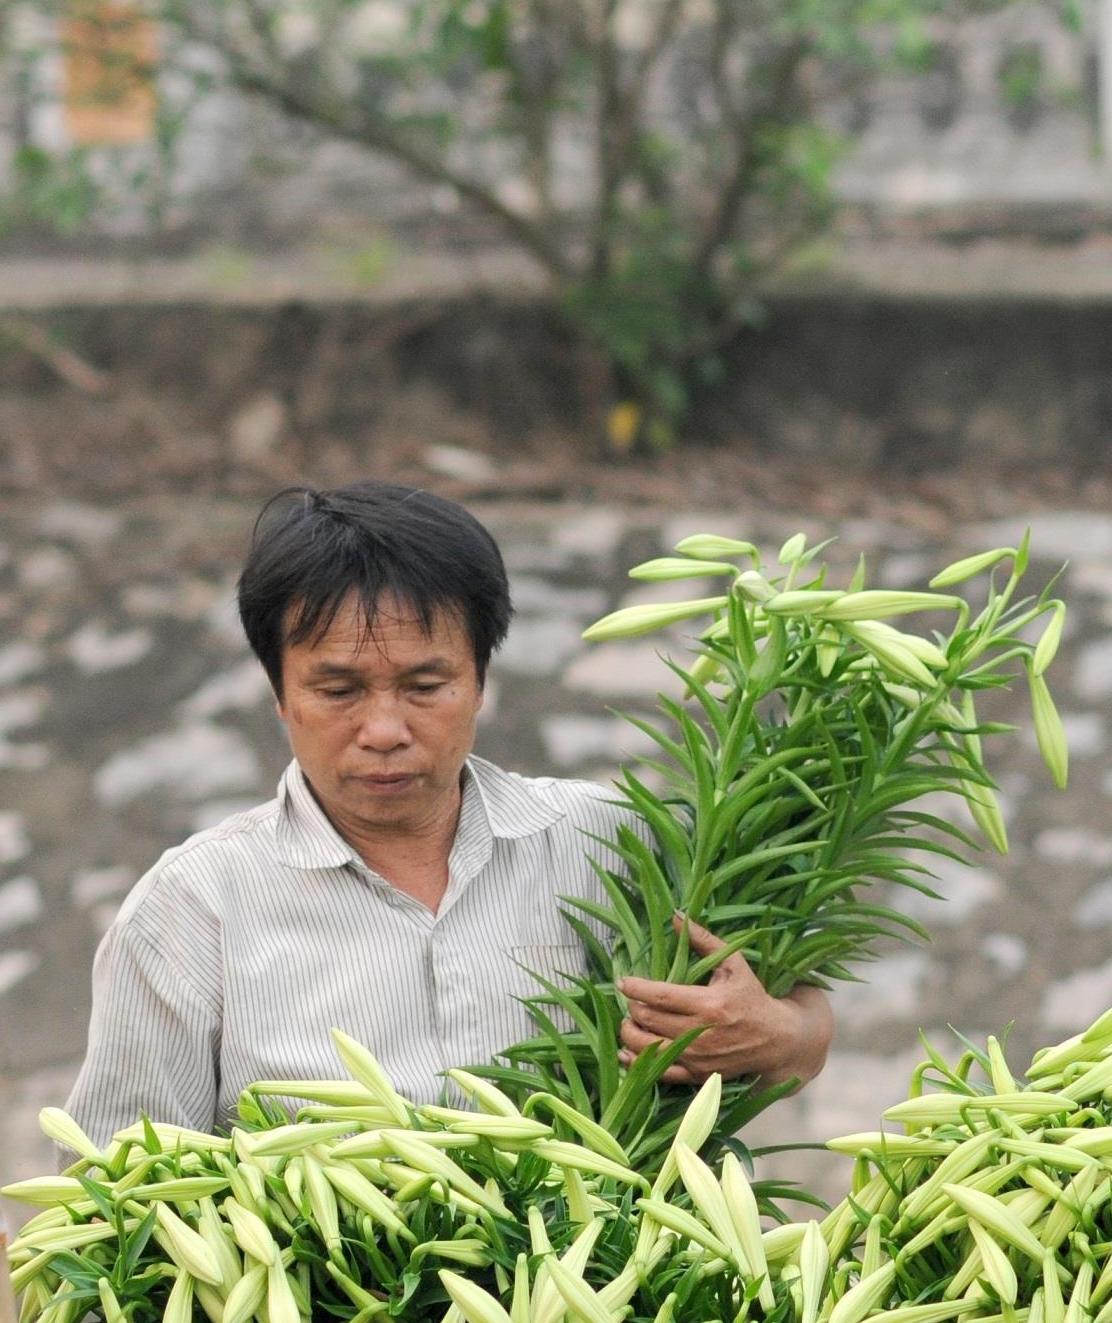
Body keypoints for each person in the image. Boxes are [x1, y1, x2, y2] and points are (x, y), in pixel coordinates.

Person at [64, 481, 833, 1140]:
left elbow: (795, 1023)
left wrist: (778, 1035)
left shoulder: (613, 842)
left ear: (480, 679)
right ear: (278, 694)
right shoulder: (192, 912)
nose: (384, 730)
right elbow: (114, 1196)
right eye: (338, 691)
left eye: (425, 687)